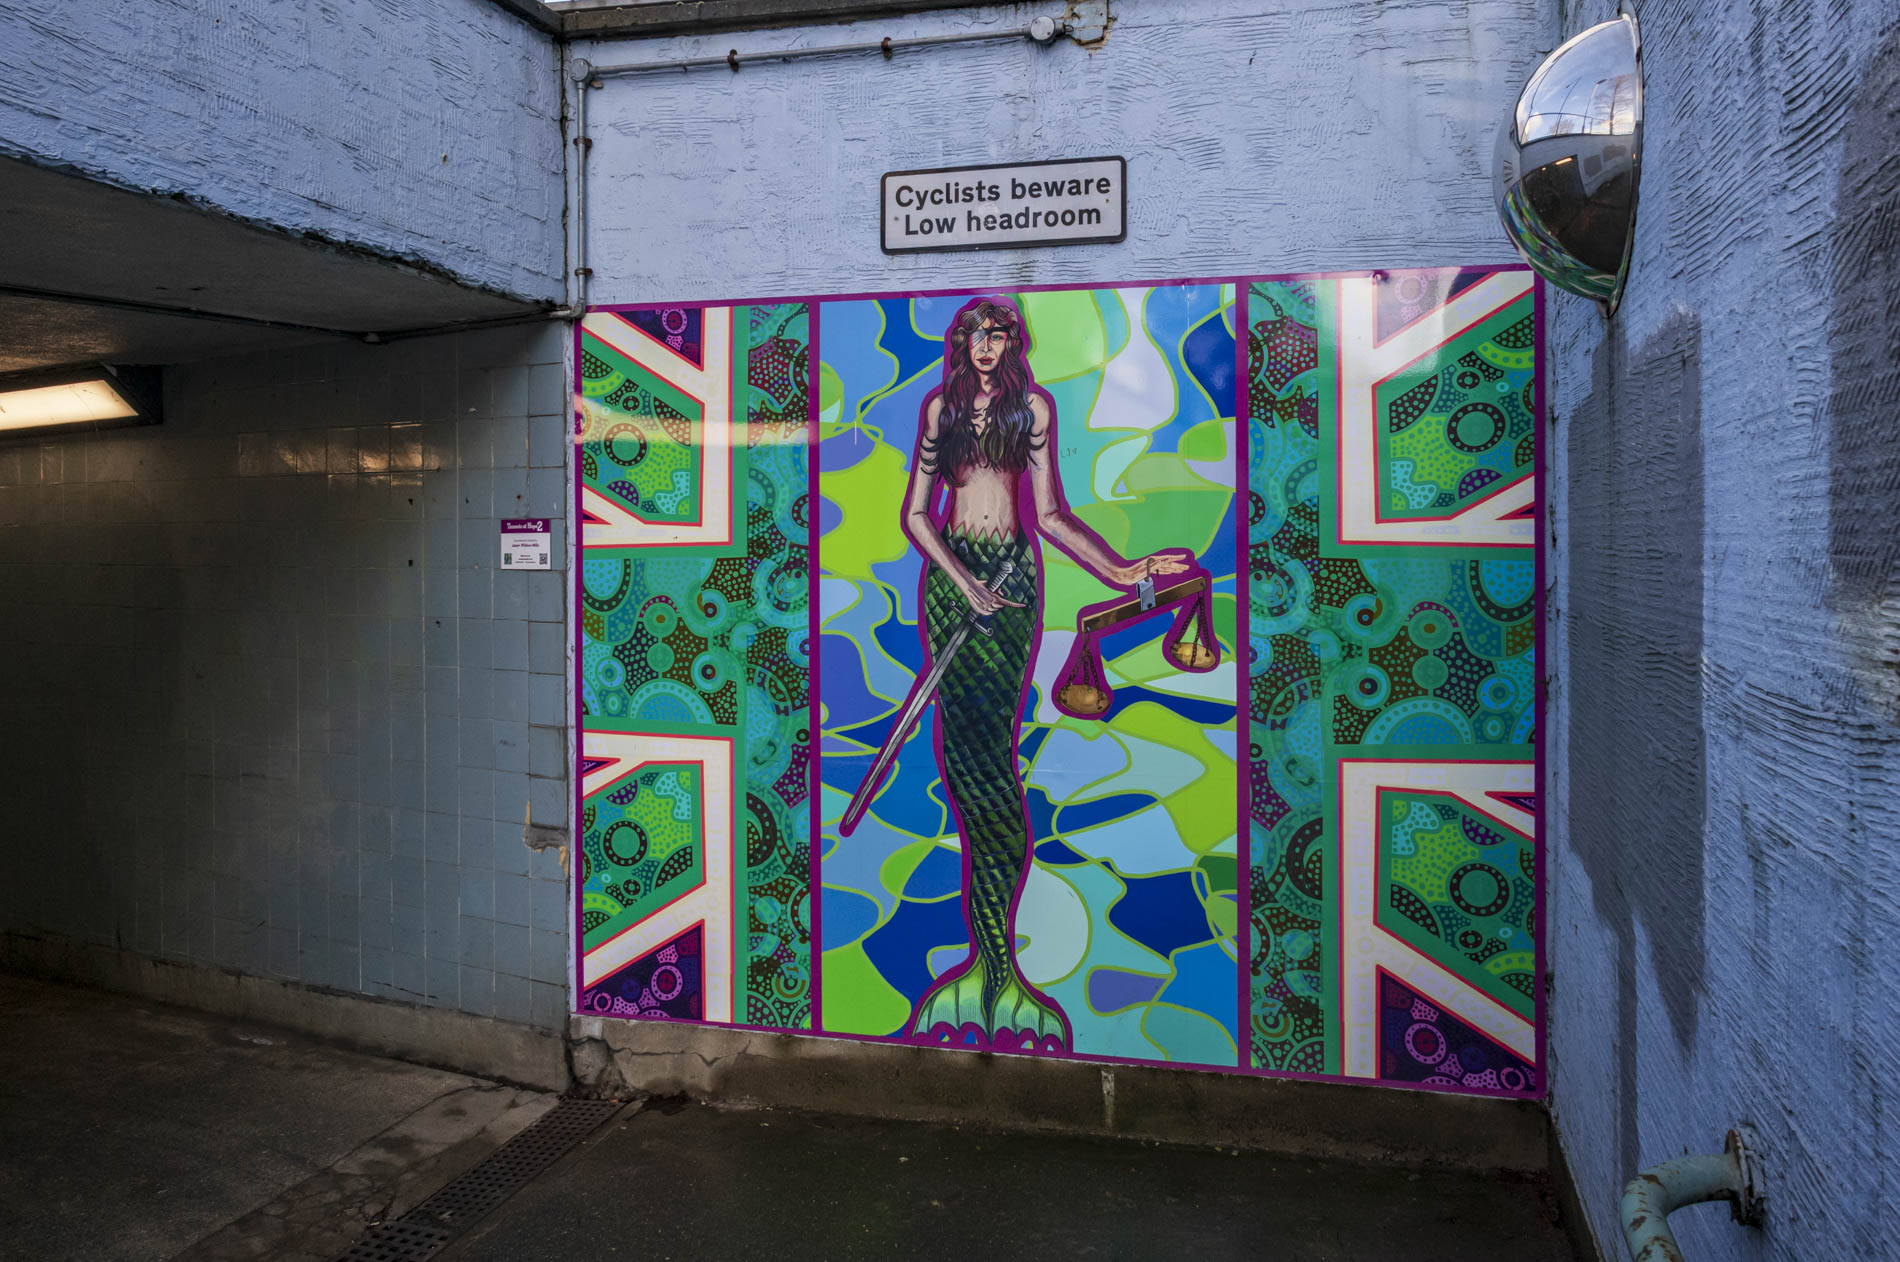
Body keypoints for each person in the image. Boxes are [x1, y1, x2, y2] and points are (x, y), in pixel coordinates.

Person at [899, 296, 1189, 1051]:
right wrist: (964, 583)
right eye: (973, 334)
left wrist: (1123, 573)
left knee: (995, 760)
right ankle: (986, 968)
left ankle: (998, 970)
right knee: (965, 761)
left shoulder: (1033, 411)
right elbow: (918, 516)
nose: (984, 345)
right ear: (961, 344)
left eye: (995, 334)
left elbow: (1051, 515)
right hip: (955, 586)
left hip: (1016, 584)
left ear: (1010, 342)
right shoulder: (939, 411)